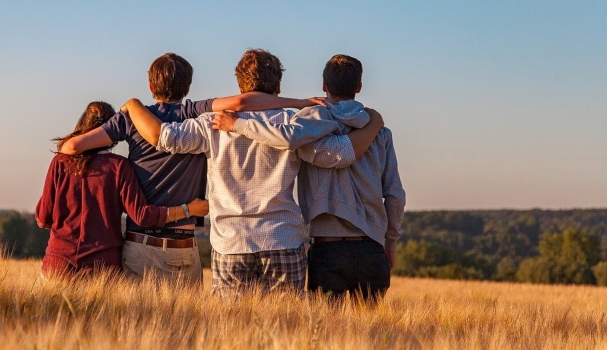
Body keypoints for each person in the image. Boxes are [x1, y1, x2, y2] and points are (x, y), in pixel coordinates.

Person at [120, 49, 384, 296]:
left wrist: (133, 105)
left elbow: (164, 138)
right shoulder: (294, 124)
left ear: (239, 86)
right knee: (286, 332)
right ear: (278, 87)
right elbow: (339, 154)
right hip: (282, 239)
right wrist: (374, 124)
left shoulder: (211, 123)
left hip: (231, 242)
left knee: (230, 331)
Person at [59, 53, 321, 284]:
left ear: (151, 86)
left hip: (140, 243)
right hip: (183, 246)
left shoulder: (130, 119)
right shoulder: (195, 112)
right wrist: (300, 103)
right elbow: (242, 103)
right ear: (188, 86)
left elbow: (71, 148)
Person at [213, 54, 405, 302]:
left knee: (324, 334)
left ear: (324, 86)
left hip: (327, 249)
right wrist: (390, 244)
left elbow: (286, 138)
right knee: (370, 336)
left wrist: (238, 124)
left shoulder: (308, 125)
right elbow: (395, 195)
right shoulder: (380, 132)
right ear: (359, 87)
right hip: (372, 248)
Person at [35, 101, 209, 279]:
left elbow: (43, 218)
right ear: (113, 131)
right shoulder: (119, 166)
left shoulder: (60, 162)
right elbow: (142, 216)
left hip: (57, 265)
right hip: (102, 269)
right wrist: (188, 210)